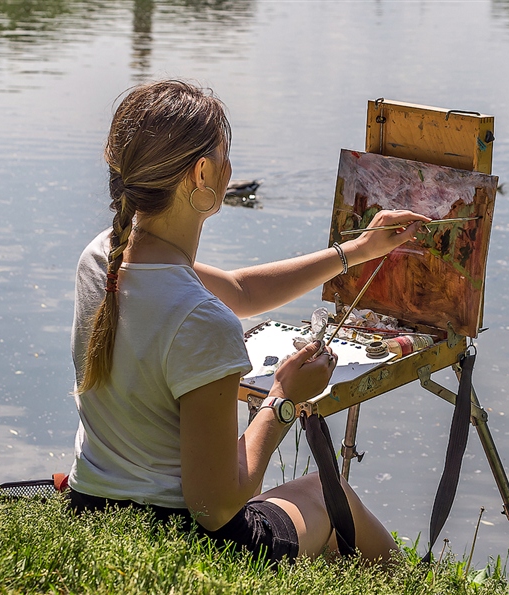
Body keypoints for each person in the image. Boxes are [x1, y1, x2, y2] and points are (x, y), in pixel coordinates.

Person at [67, 79, 430, 563]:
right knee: (331, 494)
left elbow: (242, 291)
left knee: (316, 498)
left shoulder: (102, 257)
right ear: (202, 174)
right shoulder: (201, 320)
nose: (230, 168)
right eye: (224, 157)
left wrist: (358, 250)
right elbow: (214, 506)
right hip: (186, 535)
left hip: (91, 506)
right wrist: (284, 398)